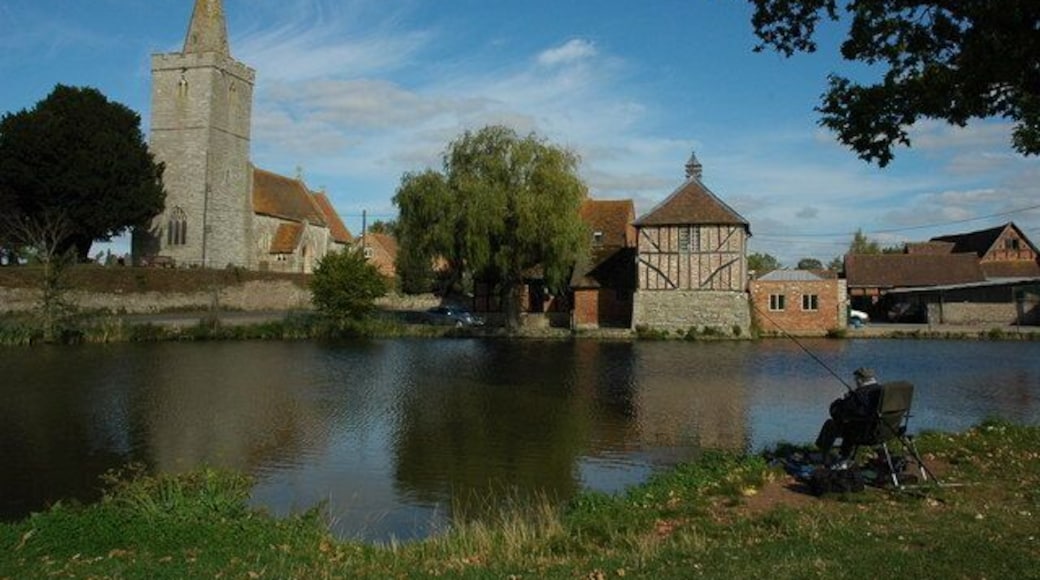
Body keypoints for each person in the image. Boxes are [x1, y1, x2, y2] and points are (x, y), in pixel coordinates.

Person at [815, 368, 883, 462]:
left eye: (855, 379)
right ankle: (844, 455)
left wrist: (845, 399)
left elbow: (837, 413)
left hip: (864, 433)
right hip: (882, 432)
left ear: (859, 379)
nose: (855, 381)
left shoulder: (859, 394)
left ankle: (823, 454)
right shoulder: (882, 391)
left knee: (830, 424)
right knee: (852, 424)